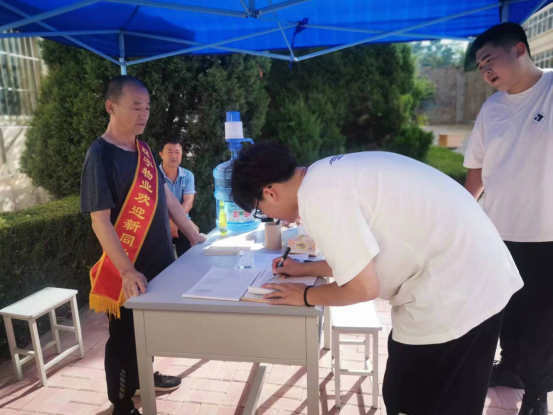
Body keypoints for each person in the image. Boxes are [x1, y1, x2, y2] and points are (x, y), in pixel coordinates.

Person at [229, 143, 522, 415]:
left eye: (260, 211)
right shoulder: (322, 175)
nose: (272, 218)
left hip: (455, 294)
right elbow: (360, 257)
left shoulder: (317, 198)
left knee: (409, 400)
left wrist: (304, 296)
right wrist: (306, 269)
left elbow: (363, 288)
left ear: (269, 193)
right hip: (480, 274)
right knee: (449, 399)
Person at [80, 76, 206, 415]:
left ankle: (144, 379)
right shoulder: (99, 156)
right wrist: (126, 270)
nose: (144, 114)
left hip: (160, 263)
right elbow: (100, 220)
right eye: (136, 107)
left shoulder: (144, 149)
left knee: (148, 333)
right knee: (124, 338)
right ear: (111, 107)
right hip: (129, 270)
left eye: (147, 107)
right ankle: (121, 403)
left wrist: (192, 234)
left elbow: (166, 196)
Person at [463, 22, 553, 415]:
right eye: (480, 67)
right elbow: (477, 171)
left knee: (541, 322)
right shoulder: (492, 108)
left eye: (489, 60)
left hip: (546, 233)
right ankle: (511, 369)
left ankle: (537, 395)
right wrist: (461, 215)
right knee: (506, 312)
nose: (485, 71)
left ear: (519, 49)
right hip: (498, 231)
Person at [158, 136, 198, 257]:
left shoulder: (188, 175)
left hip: (183, 221)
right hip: (159, 222)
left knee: (193, 237)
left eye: (177, 152)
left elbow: (188, 201)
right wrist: (169, 222)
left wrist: (176, 221)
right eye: (169, 152)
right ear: (161, 154)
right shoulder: (152, 175)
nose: (174, 156)